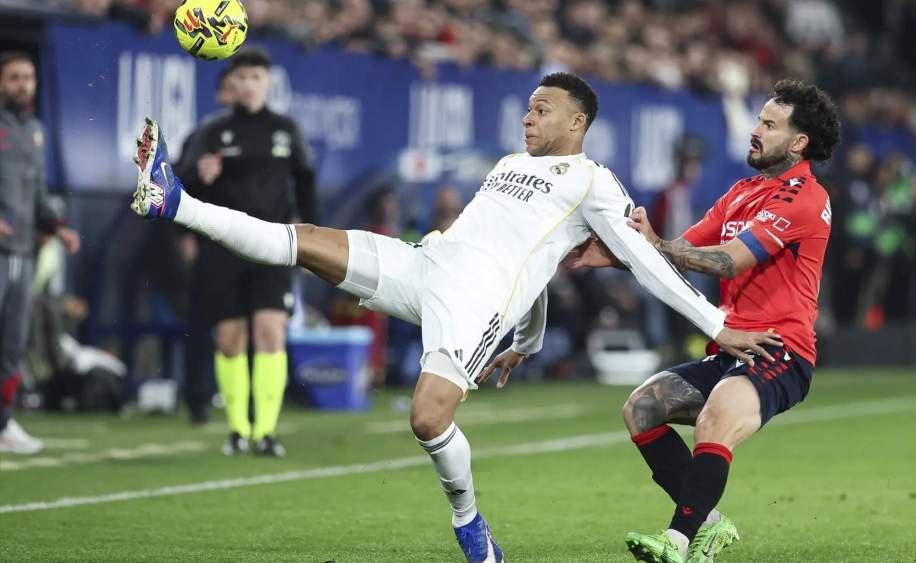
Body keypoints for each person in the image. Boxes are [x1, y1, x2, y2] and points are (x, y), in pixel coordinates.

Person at [130, 72, 780, 563]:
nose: (526, 117)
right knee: (301, 240)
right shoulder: (506, 167)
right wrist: (527, 339)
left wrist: (715, 321)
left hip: (471, 307)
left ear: (577, 123)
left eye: (541, 109)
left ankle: (471, 526)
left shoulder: (594, 182)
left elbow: (644, 261)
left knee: (426, 417)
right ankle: (173, 199)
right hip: (426, 265)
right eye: (525, 106)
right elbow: (533, 264)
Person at [567, 79, 840, 563]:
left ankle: (677, 542)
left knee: (715, 415)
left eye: (769, 124)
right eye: (758, 119)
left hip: (779, 348)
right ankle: (709, 525)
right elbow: (677, 252)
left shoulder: (803, 198)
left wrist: (659, 246)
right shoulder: (742, 192)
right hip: (731, 345)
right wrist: (611, 255)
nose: (755, 130)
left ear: (799, 143)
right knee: (642, 408)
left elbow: (728, 260)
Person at [168, 48, 317, 457]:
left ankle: (266, 432)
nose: (249, 85)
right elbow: (180, 185)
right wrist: (200, 175)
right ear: (231, 85)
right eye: (242, 78)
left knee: (271, 332)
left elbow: (305, 184)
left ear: (268, 82)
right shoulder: (212, 132)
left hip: (273, 246)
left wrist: (314, 241)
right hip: (223, 249)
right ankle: (237, 429)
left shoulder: (286, 130)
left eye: (256, 77)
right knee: (231, 340)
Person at [0, 51, 80, 455]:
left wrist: (58, 228)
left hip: (21, 252)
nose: (22, 84)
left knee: (12, 342)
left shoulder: (34, 130)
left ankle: (3, 423)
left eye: (28, 77)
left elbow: (38, 196)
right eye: (14, 77)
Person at [172, 65, 237, 425]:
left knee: (252, 326)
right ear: (219, 95)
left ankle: (248, 403)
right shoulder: (204, 134)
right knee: (199, 325)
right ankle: (196, 399)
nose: (237, 94)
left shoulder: (266, 134)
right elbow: (178, 182)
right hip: (210, 243)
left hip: (250, 244)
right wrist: (185, 236)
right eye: (230, 88)